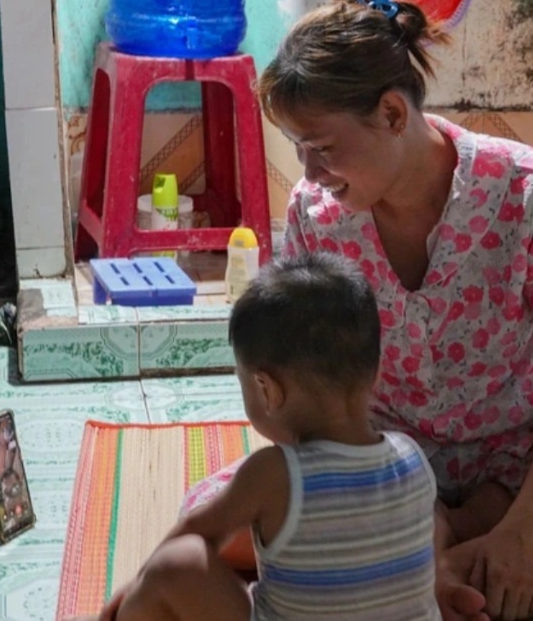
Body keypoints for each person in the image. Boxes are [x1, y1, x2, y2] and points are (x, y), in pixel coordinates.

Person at [177, 0, 533, 620]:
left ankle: (467, 553)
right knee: (211, 519)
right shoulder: (317, 216)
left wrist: (532, 523)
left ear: (394, 114)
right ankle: (484, 536)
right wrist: (377, 489)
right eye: (297, 148)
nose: (309, 171)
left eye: (321, 146)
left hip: (530, 456)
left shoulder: (532, 193)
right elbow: (314, 386)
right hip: (385, 462)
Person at [93, 253, 443, 621]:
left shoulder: (274, 474)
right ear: (375, 371)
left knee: (176, 564)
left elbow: (194, 533)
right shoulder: (413, 458)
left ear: (267, 391)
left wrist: (134, 585)